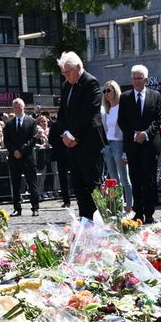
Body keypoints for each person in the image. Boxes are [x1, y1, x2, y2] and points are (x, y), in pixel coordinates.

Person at [56, 52, 105, 219]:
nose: (66, 75)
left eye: (68, 71)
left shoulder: (90, 82)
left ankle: (97, 219)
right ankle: (84, 219)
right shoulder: (66, 86)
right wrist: (64, 133)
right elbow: (61, 114)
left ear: (78, 67)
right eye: (63, 72)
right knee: (77, 184)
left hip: (88, 142)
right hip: (71, 144)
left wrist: (73, 135)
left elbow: (90, 114)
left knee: (92, 183)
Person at [118, 65, 161, 224]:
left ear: (146, 79)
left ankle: (149, 212)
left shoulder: (155, 95)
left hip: (150, 144)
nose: (137, 81)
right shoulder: (124, 97)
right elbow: (121, 121)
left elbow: (158, 119)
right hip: (133, 145)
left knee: (149, 180)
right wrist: (134, 134)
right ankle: (137, 212)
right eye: (134, 78)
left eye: (140, 78)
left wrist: (145, 134)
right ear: (131, 80)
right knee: (135, 179)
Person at [100, 81, 133, 210]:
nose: (107, 93)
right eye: (105, 91)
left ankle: (129, 206)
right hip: (108, 145)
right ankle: (117, 207)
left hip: (120, 144)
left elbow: (126, 131)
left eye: (109, 90)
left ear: (115, 91)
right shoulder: (105, 112)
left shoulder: (121, 108)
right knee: (113, 179)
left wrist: (126, 151)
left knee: (124, 178)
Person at [4, 98, 40, 215]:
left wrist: (21, 151)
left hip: (28, 157)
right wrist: (14, 151)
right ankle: (17, 208)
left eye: (19, 106)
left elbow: (33, 139)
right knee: (15, 184)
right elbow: (7, 141)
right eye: (15, 106)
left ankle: (35, 208)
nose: (17, 108)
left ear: (23, 107)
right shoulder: (9, 124)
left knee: (32, 183)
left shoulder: (31, 122)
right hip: (14, 158)